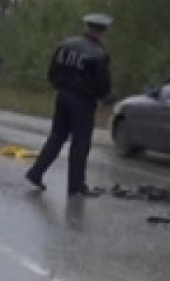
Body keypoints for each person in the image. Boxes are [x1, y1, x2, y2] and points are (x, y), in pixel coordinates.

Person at [26, 13, 113, 196]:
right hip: (83, 102)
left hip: (63, 96)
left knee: (56, 137)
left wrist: (61, 86)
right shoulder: (98, 53)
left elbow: (52, 73)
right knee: (80, 143)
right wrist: (106, 97)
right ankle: (76, 185)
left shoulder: (66, 45)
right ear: (102, 31)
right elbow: (102, 84)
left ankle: (36, 172)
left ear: (87, 27)